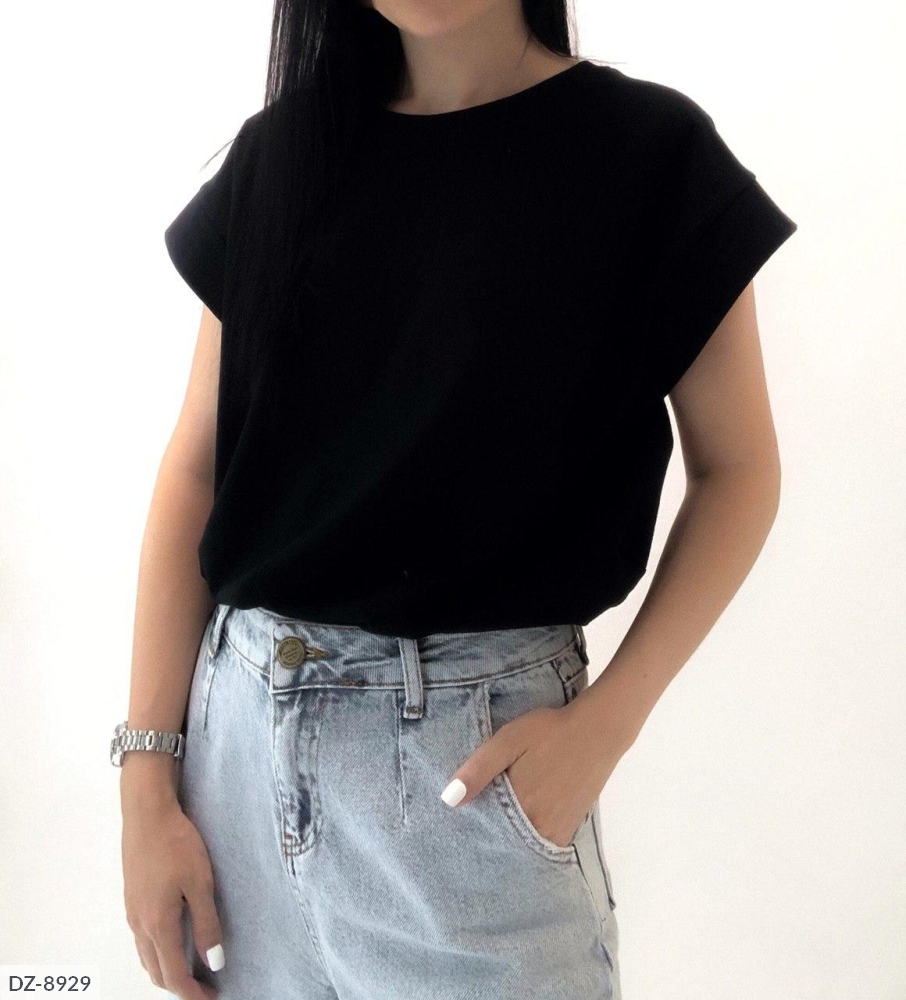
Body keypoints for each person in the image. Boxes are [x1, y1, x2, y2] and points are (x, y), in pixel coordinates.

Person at [114, 1, 798, 998]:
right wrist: (145, 780)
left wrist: (607, 725)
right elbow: (197, 469)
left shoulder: (647, 154)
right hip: (237, 771)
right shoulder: (283, 155)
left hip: (475, 777)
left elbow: (740, 470)